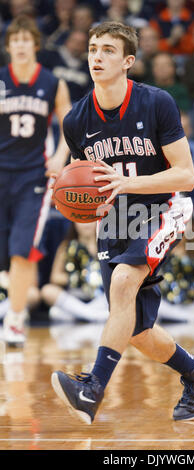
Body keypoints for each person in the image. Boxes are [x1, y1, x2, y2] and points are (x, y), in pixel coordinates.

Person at [51, 21, 194, 425]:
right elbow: (84, 181)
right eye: (93, 48)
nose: (97, 56)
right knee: (137, 328)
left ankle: (92, 390)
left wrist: (130, 182)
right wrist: (70, 192)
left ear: (128, 61)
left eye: (108, 50)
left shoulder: (156, 102)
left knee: (124, 281)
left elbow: (186, 175)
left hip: (166, 208)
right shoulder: (76, 120)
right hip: (117, 219)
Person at [0, 15, 71, 347]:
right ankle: (13, 298)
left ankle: (14, 319)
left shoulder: (53, 82)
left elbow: (68, 125)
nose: (21, 45)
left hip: (34, 176)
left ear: (35, 45)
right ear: (8, 46)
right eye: (15, 40)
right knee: (8, 254)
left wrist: (59, 157)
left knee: (23, 250)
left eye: (26, 40)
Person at [41, 222, 109, 323]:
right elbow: (55, 277)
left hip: (99, 298)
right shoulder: (66, 246)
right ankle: (91, 315)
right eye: (82, 221)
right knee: (47, 291)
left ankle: (81, 314)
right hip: (75, 298)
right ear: (74, 224)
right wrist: (78, 278)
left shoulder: (104, 245)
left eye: (90, 220)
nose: (86, 225)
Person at [38, 29, 93, 103]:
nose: (77, 46)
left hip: (75, 107)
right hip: (50, 102)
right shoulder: (50, 56)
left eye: (81, 43)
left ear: (85, 47)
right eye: (74, 41)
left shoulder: (89, 65)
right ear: (67, 41)